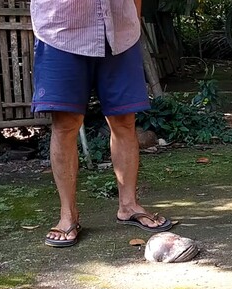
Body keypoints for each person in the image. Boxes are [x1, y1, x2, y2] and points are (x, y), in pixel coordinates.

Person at [30, 0, 172, 247]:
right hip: (62, 30)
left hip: (120, 30)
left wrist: (133, 17)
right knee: (65, 124)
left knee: (125, 121)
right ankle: (68, 215)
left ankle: (128, 206)